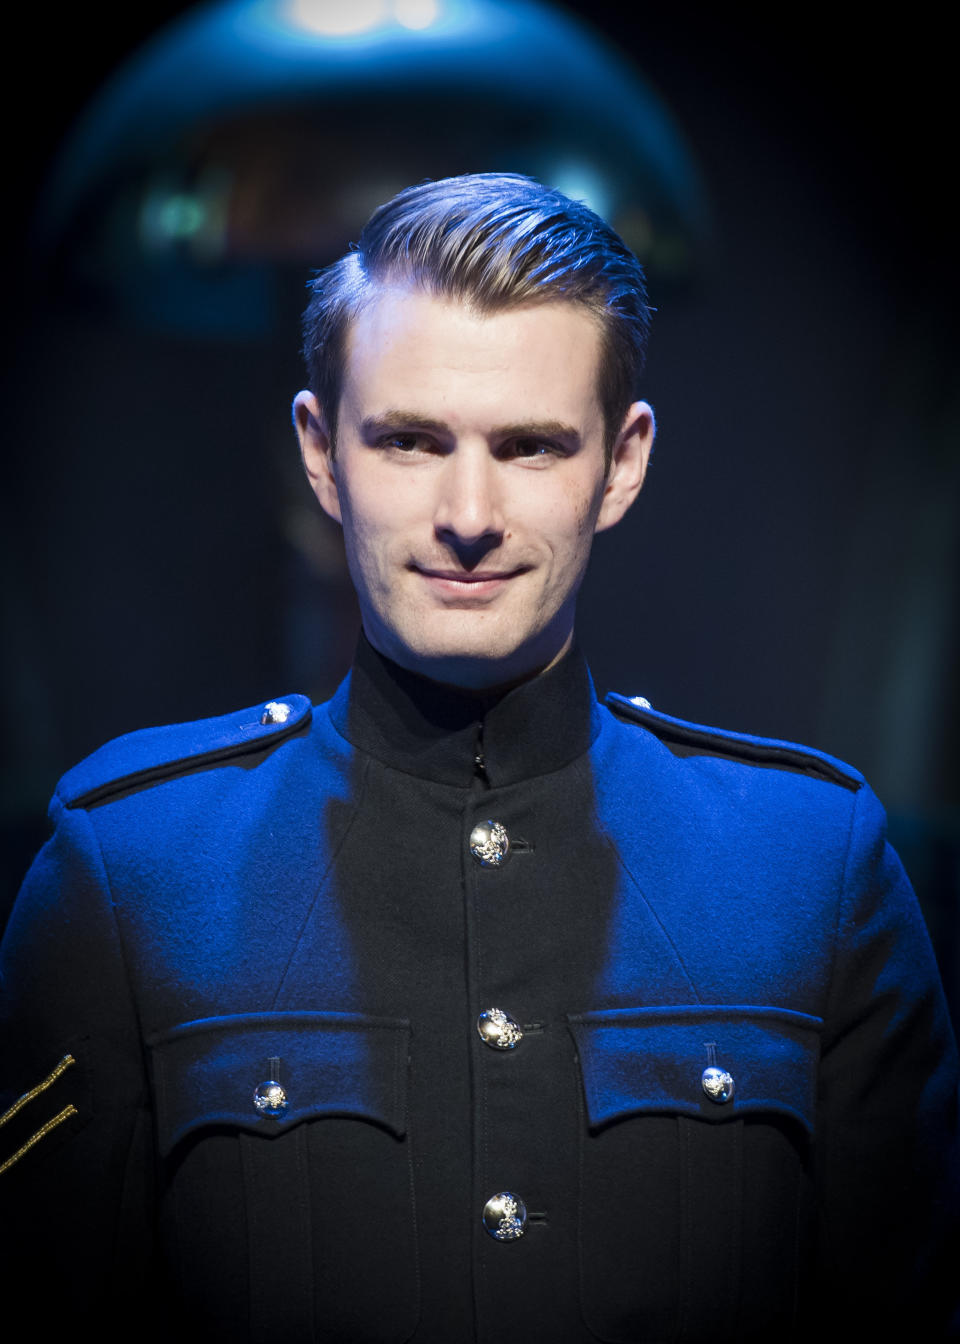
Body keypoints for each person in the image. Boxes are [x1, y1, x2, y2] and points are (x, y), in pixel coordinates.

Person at [1, 173, 957, 1343]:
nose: (469, 510)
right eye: (409, 440)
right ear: (321, 452)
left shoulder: (814, 874)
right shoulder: (130, 877)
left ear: (622, 463)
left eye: (531, 447)